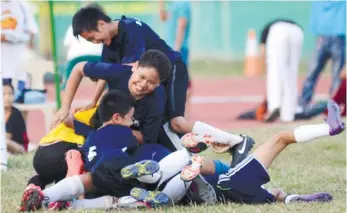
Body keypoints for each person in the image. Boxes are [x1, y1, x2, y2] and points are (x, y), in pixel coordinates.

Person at [55, 7, 251, 158]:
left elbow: (127, 71)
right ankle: (187, 146)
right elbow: (110, 73)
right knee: (162, 124)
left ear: (101, 24)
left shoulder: (131, 28)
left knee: (176, 122)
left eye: (93, 37)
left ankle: (236, 141)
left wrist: (105, 92)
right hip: (149, 80)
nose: (94, 42)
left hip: (171, 69)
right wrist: (94, 101)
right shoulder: (109, 43)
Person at [19, 90, 176, 211]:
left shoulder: (92, 136)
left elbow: (72, 123)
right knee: (131, 180)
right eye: (130, 118)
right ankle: (140, 191)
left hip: (96, 173)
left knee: (88, 185)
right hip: (119, 164)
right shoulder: (124, 132)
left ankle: (45, 197)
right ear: (116, 118)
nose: (132, 122)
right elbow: (139, 141)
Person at [179, 99, 344, 204]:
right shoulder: (178, 169)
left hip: (237, 196)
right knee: (281, 138)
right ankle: (329, 128)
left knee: (273, 194)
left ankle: (290, 199)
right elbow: (210, 167)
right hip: (232, 183)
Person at [297, 1, 346, 113]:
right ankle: (304, 102)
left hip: (335, 36)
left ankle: (334, 105)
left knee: (335, 75)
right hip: (325, 36)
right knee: (312, 72)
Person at [258, 19, 304, 122]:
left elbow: (262, 51)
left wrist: (265, 64)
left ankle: (274, 106)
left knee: (274, 71)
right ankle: (288, 114)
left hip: (278, 33)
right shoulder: (280, 24)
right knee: (291, 74)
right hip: (298, 32)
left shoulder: (266, 31)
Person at [159, 0, 193, 118]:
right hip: (170, 48)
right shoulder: (173, 4)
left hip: (178, 48)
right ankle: (179, 112)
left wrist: (177, 47)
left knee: (181, 79)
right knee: (173, 79)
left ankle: (185, 112)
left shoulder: (183, 3)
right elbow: (163, 18)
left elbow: (182, 23)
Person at [1, 0, 39, 103]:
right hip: (2, 65)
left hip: (17, 67)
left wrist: (13, 37)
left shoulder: (22, 5)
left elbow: (31, 31)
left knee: (18, 102)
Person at [61, 3, 103, 90]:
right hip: (97, 56)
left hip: (75, 58)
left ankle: (63, 101)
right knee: (104, 81)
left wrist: (67, 62)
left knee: (67, 84)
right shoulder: (102, 25)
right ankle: (105, 101)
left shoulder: (73, 26)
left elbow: (67, 46)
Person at [3, 83, 28, 154]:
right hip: (5, 147)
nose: (7, 97)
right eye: (3, 94)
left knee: (4, 141)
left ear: (13, 96)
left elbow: (7, 137)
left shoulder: (16, 114)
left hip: (19, 148)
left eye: (10, 94)